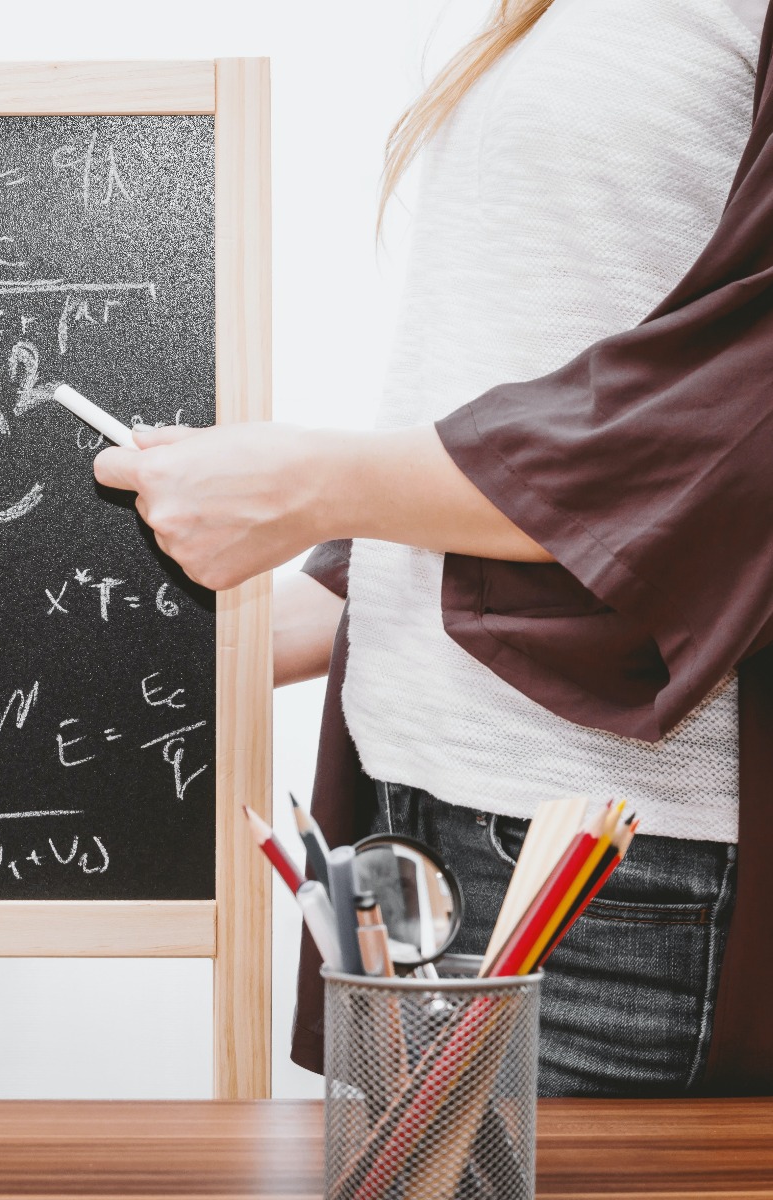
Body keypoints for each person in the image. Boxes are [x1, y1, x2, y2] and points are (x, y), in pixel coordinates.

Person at [94, 0, 773, 1095]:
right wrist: (281, 619)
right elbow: (520, 395)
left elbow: (731, 423)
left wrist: (311, 483)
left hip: (613, 872)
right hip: (407, 811)